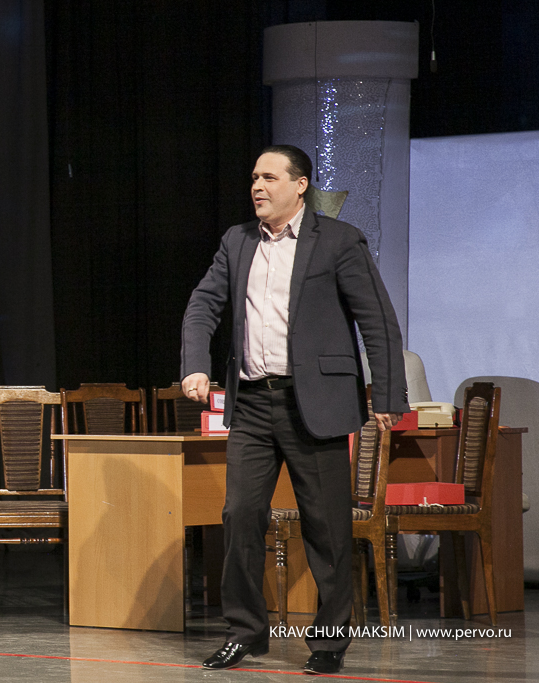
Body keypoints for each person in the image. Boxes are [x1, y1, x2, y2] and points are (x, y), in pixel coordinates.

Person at [180, 145, 407, 675]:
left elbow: (377, 319)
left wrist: (387, 395)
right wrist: (195, 365)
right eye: (253, 178)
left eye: (269, 177)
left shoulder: (339, 240)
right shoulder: (237, 241)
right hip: (252, 403)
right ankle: (244, 632)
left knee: (326, 528)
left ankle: (329, 642)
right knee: (240, 516)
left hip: (316, 404)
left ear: (299, 185)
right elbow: (202, 304)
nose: (257, 187)